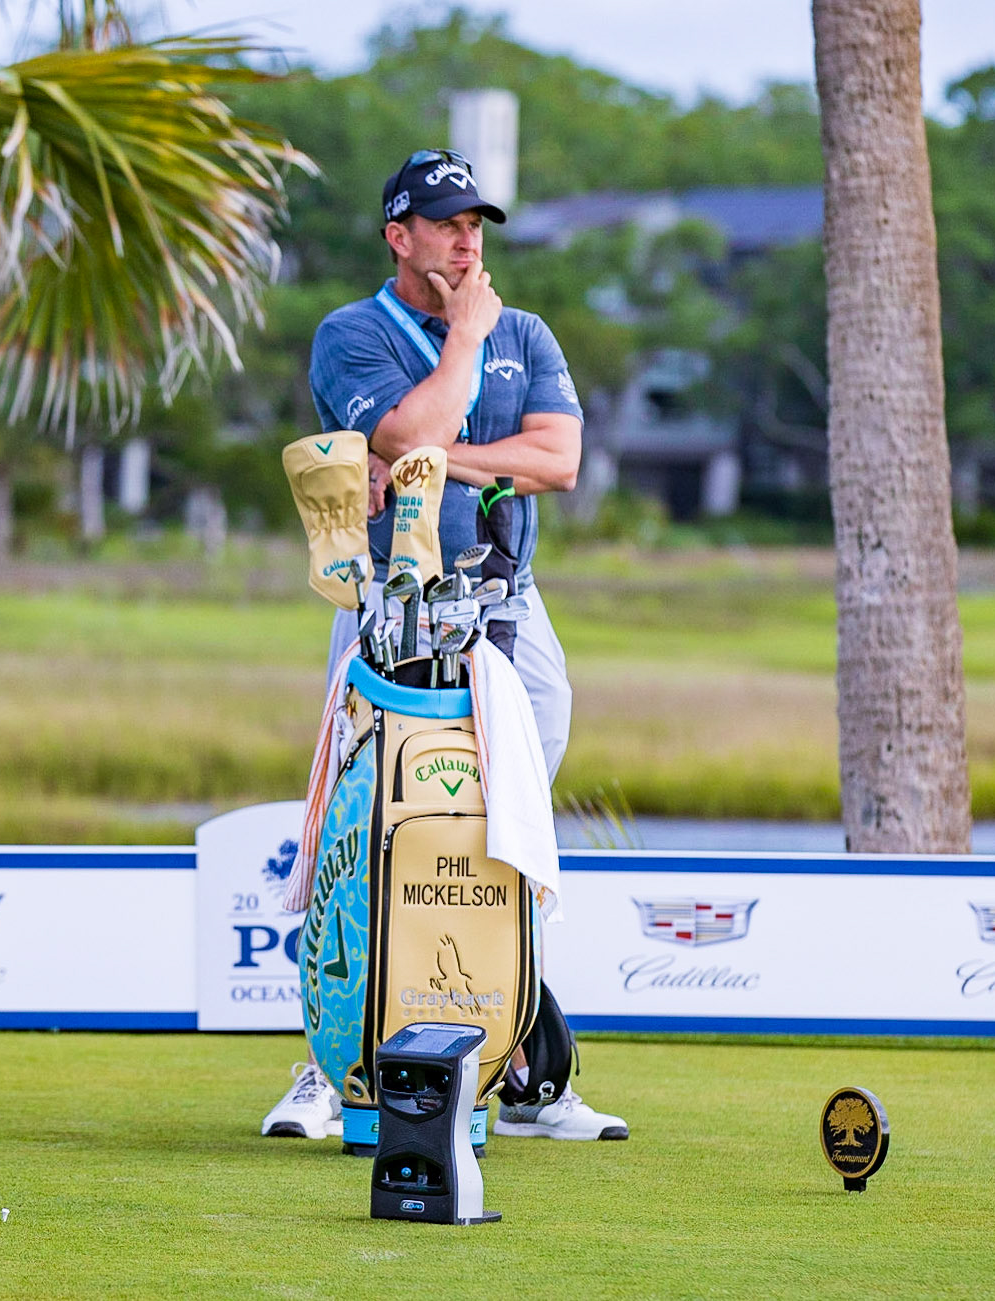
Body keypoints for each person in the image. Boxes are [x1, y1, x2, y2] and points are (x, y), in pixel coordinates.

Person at [261, 148, 627, 1144]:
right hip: (387, 603)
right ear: (400, 235)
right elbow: (405, 424)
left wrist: (439, 459)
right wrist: (463, 341)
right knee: (360, 828)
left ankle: (528, 1075)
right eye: (447, 224)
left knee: (510, 836)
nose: (468, 242)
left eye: (476, 225)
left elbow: (558, 458)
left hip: (509, 607)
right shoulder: (352, 334)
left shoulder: (528, 332)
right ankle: (332, 1069)